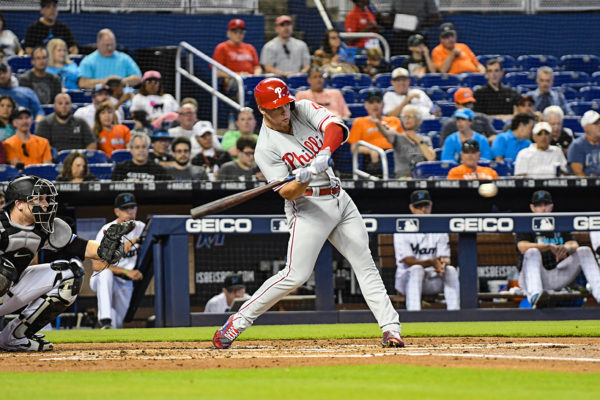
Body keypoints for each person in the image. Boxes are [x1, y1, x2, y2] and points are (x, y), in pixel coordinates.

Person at [212, 77, 403, 349]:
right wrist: (301, 179)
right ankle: (238, 321)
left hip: (339, 198)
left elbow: (336, 126)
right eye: (277, 108)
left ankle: (391, 328)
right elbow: (287, 193)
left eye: (285, 104)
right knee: (295, 275)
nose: (284, 111)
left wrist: (324, 152)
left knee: (365, 264)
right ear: (262, 110)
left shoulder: (301, 108)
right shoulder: (265, 148)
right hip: (309, 208)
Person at [0, 175, 134, 351]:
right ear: (19, 204)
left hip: (12, 292)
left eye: (46, 199)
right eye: (39, 199)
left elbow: (83, 247)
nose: (46, 204)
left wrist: (107, 249)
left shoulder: (45, 227)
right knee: (4, 271)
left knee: (70, 273)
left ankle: (14, 337)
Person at [515, 190, 600, 308]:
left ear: (551, 206)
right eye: (539, 205)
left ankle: (599, 293)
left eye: (546, 204)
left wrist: (566, 247)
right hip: (533, 277)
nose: (543, 208)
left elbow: (573, 243)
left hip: (558, 275)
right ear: (532, 208)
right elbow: (522, 247)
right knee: (532, 252)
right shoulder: (525, 223)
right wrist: (547, 246)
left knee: (584, 250)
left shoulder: (559, 221)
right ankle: (536, 296)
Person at [393, 190, 459, 311]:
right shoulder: (402, 229)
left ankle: (454, 313)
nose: (423, 209)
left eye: (425, 205)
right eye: (419, 206)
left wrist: (442, 264)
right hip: (407, 280)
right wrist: (432, 262)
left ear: (431, 206)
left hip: (432, 279)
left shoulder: (439, 228)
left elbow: (445, 257)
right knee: (417, 269)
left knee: (451, 270)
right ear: (411, 208)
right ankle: (414, 314)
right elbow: (408, 261)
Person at [90, 192, 145, 329]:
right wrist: (126, 271)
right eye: (126, 209)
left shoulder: (141, 228)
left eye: (132, 208)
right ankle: (105, 319)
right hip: (103, 277)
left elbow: (154, 237)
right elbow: (97, 265)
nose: (130, 212)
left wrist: (136, 240)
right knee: (105, 274)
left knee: (117, 324)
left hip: (125, 283)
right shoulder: (107, 230)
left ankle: (108, 326)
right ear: (117, 212)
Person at [347, 89, 403, 176]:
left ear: (383, 104)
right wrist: (371, 151)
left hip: (393, 156)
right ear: (366, 105)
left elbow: (402, 142)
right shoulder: (359, 122)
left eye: (378, 102)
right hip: (372, 158)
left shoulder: (394, 120)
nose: (375, 105)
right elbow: (354, 148)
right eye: (371, 102)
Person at [380, 105, 435, 178]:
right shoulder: (397, 137)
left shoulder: (425, 139)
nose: (407, 119)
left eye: (410, 116)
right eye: (404, 117)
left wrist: (418, 140)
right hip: (403, 178)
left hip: (421, 178)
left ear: (418, 120)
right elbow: (386, 134)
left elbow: (431, 158)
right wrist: (379, 124)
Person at [77, 29, 142, 90]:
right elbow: (83, 83)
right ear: (98, 43)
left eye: (112, 44)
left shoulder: (125, 58)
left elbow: (138, 78)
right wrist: (106, 82)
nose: (110, 48)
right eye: (107, 45)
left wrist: (120, 82)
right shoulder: (88, 61)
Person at [212, 18, 262, 86]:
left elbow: (257, 67)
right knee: (240, 84)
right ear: (228, 33)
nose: (238, 35)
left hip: (250, 79)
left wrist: (255, 77)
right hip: (233, 80)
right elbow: (217, 72)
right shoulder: (222, 48)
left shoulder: (250, 47)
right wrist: (238, 75)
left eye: (241, 32)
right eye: (235, 32)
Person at [567, 110, 600, 177]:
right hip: (588, 185)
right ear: (586, 127)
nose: (599, 125)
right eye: (596, 123)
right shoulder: (577, 146)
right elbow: (578, 173)